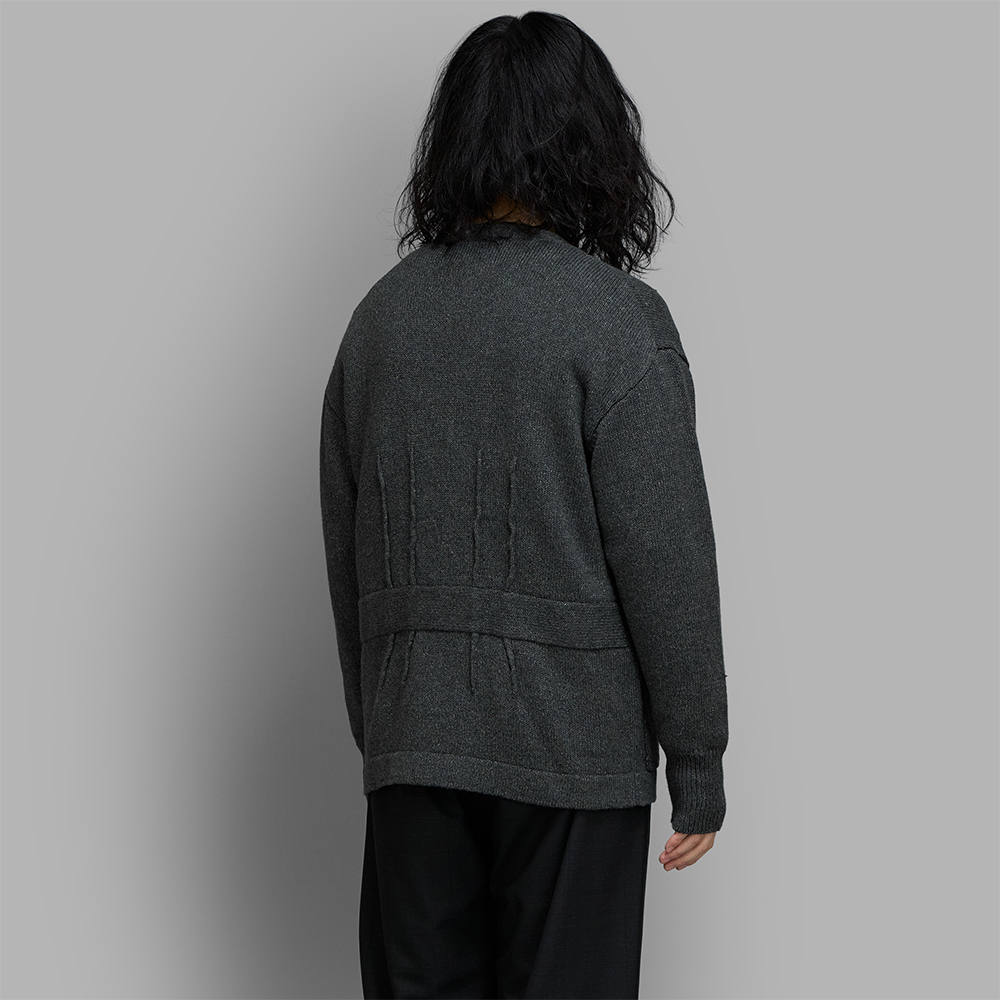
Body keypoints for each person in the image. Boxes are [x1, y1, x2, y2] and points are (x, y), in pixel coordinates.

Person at [319, 10, 730, 999]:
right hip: (571, 756)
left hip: (415, 750)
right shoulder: (616, 324)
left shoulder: (379, 322)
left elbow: (347, 554)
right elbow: (666, 557)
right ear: (592, 141)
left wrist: (390, 728)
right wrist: (697, 761)